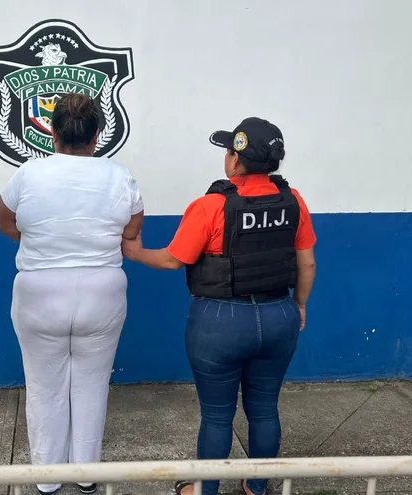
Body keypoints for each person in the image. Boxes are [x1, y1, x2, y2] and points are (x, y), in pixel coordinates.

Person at [122, 117, 317, 495]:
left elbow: (172, 260)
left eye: (230, 150)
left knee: (216, 415)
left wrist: (134, 251)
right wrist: (300, 306)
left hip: (219, 323)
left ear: (235, 160)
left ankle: (206, 490)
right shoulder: (294, 201)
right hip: (280, 316)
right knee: (264, 407)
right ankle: (257, 485)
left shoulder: (211, 205)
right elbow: (306, 262)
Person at [0, 93, 144, 495]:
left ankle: (46, 479)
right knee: (92, 385)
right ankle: (86, 473)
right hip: (102, 292)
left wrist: (43, 239)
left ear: (51, 131)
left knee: (44, 387)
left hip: (39, 292)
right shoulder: (120, 176)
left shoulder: (27, 175)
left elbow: (6, 223)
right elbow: (131, 232)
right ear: (97, 135)